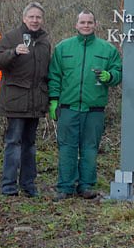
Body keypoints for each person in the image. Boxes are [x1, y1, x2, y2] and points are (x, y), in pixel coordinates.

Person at [48, 10, 122, 200]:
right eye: (82, 22)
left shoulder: (107, 49)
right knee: (67, 147)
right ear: (76, 24)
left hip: (94, 109)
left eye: (89, 22)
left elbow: (118, 71)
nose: (86, 25)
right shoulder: (63, 48)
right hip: (68, 107)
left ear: (95, 24)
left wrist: (110, 76)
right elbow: (54, 75)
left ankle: (86, 186)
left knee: (90, 148)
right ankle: (65, 187)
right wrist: (54, 100)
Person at [0, 2, 51, 197]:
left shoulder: (44, 41)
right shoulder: (11, 37)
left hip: (35, 102)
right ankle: (8, 186)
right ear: (24, 18)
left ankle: (28, 185)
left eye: (38, 17)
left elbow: (46, 72)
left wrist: (49, 99)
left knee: (30, 145)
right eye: (31, 17)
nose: (35, 20)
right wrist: (13, 52)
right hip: (15, 101)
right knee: (13, 143)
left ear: (42, 20)